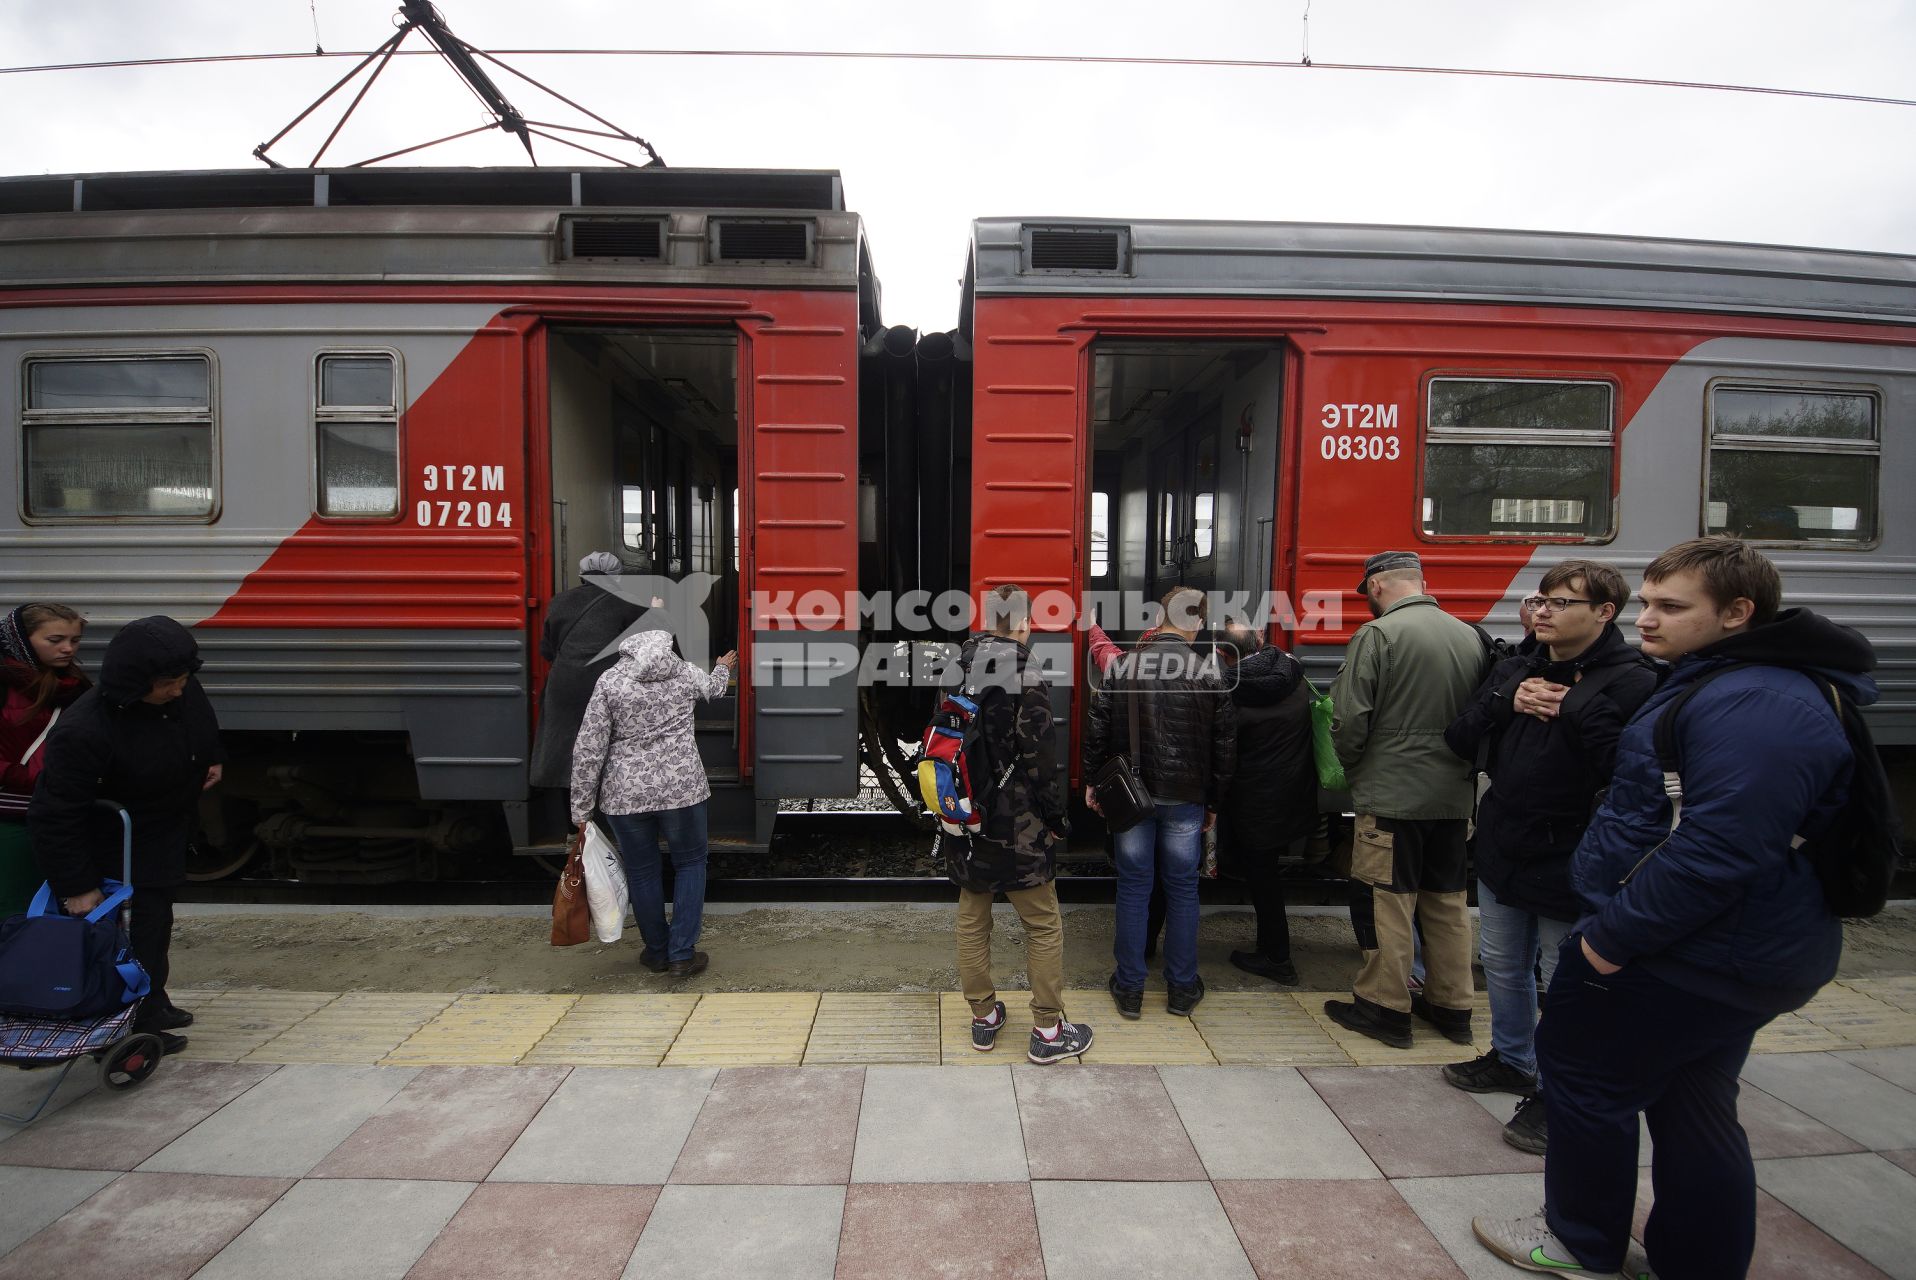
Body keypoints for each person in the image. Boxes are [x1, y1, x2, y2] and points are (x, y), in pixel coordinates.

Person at [1474, 537, 1872, 1279]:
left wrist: (1608, 942)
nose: (1645, 618)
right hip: (1726, 950)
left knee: (1585, 1082)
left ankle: (1580, 1241)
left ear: (1738, 613)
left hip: (1688, 950)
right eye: (1649, 602)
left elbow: (1718, 847)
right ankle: (1698, 1260)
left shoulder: (1754, 702)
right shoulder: (1745, 683)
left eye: (1669, 606)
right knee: (1694, 1104)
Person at [1442, 561, 1659, 1155]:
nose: (1543, 611)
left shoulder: (1633, 682)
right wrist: (1507, 701)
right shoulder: (1515, 667)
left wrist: (1574, 710)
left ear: (1604, 613)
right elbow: (1459, 737)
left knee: (1563, 976)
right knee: (1503, 963)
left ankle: (1559, 1089)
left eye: (1561, 602)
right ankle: (1513, 1058)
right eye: (1540, 600)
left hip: (1573, 852)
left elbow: (1631, 773)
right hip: (1504, 841)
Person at [29, 616, 226, 1052]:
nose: (178, 690)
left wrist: (210, 755)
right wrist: (76, 886)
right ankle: (130, 1026)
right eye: (168, 684)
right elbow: (54, 813)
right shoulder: (85, 731)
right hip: (116, 842)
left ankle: (152, 1000)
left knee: (155, 923)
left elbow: (197, 714)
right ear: (136, 681)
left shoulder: (176, 686)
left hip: (163, 827)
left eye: (183, 680)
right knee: (125, 933)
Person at [1322, 551, 1486, 1050]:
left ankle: (1384, 1008)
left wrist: (1353, 769)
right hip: (1453, 798)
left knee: (1388, 902)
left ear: (1375, 588)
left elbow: (1350, 720)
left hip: (1393, 796)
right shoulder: (1469, 634)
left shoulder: (1380, 635)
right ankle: (1453, 1006)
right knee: (1446, 902)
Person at [949, 585, 1093, 1063]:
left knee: (973, 921)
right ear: (1024, 623)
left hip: (968, 815)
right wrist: (1056, 818)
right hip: (1018, 823)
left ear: (988, 619)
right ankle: (1049, 1033)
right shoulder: (1025, 668)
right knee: (1043, 924)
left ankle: (983, 1018)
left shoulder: (959, 662)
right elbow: (1039, 757)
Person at [1084, 586, 1235, 1019]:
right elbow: (1224, 747)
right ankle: (1182, 989)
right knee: (1183, 888)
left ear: (1160, 617)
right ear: (1198, 623)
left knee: (1134, 887)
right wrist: (1214, 802)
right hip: (1186, 798)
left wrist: (1095, 782)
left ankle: (1130, 989)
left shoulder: (1124, 666)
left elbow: (1098, 729)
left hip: (1134, 796)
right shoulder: (1211, 672)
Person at [570, 630, 734, 977]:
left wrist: (581, 810)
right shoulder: (686, 673)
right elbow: (714, 690)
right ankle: (681, 954)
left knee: (643, 871)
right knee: (690, 864)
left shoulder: (611, 682)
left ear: (628, 652)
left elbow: (589, 749)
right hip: (682, 790)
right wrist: (722, 667)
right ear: (666, 649)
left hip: (626, 796)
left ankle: (657, 952)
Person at [1217, 619, 1315, 986]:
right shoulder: (1294, 677)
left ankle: (1278, 958)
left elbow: (1225, 752)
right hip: (1292, 795)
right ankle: (1270, 949)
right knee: (1267, 875)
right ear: (1259, 643)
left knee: (1264, 881)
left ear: (1223, 654)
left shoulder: (1231, 692)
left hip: (1256, 802)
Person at [529, 552, 650, 790]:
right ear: (616, 576)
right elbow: (646, 650)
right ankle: (611, 817)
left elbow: (546, 650)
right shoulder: (630, 603)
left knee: (566, 757)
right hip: (608, 686)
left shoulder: (559, 601)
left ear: (582, 574)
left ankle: (573, 825)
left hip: (564, 686)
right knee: (611, 751)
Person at [1, 604, 92, 915]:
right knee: (13, 910)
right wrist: (33, 779)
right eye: (55, 640)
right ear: (23, 640)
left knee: (44, 915)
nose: (68, 649)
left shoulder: (77, 686)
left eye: (75, 640)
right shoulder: (6, 684)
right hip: (9, 818)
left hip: (57, 816)